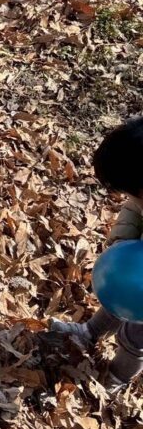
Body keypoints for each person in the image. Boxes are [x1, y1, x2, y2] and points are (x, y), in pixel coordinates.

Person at [48, 117, 143, 391]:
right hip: (136, 269)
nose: (130, 198)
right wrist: (124, 239)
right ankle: (89, 333)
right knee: (118, 299)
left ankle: (117, 378)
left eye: (132, 192)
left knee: (136, 337)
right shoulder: (139, 192)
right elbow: (133, 208)